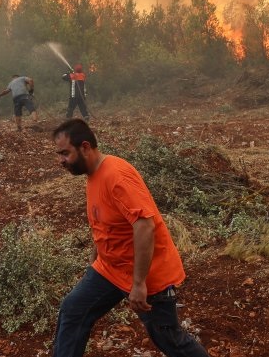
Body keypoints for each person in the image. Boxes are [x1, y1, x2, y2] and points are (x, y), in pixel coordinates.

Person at [51, 119, 209, 357]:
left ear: (85, 147)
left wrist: (138, 284)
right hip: (111, 268)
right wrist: (97, 257)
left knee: (169, 339)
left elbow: (145, 226)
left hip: (148, 273)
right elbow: (107, 221)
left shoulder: (117, 176)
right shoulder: (93, 174)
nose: (60, 161)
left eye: (65, 153)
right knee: (73, 310)